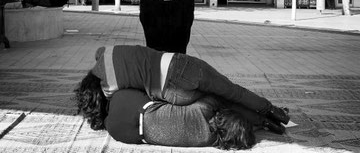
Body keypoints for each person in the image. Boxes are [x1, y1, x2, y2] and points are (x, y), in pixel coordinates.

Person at [74, 45, 290, 142]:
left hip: (174, 92)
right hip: (181, 64)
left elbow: (126, 102)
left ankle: (261, 122)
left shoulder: (109, 89)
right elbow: (100, 51)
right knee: (232, 90)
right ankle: (274, 112)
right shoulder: (105, 53)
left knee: (222, 104)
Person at [80, 88, 286, 150]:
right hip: (121, 132)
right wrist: (256, 128)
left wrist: (256, 115)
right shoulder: (209, 140)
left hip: (131, 106)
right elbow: (237, 131)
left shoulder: (204, 110)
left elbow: (219, 97)